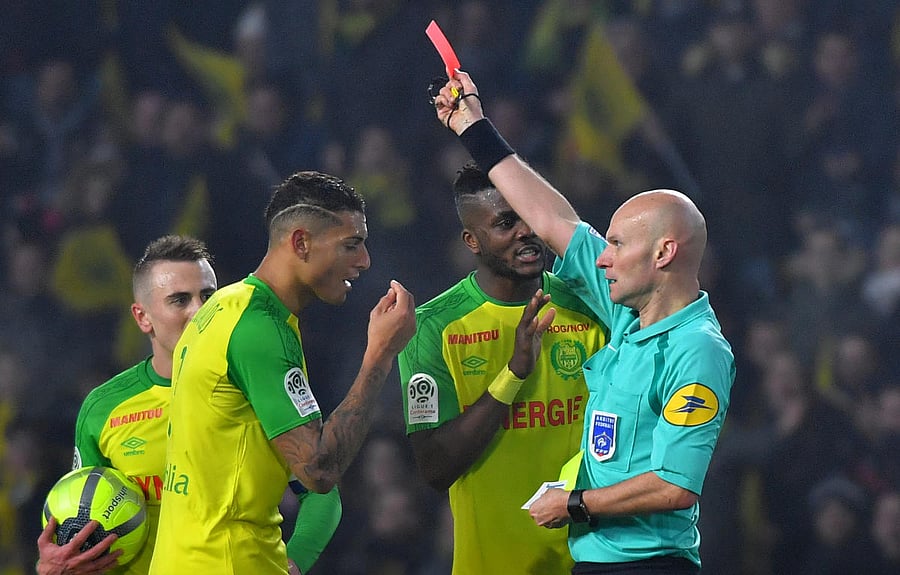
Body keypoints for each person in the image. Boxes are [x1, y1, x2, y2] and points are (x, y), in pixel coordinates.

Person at [433, 72, 735, 574]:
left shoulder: (696, 348)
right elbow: (554, 222)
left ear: (663, 253)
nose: (602, 258)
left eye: (617, 245)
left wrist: (576, 503)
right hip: (596, 561)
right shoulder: (626, 315)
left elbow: (675, 486)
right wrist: (474, 128)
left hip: (650, 564)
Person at [148, 171, 416, 574]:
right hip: (229, 561)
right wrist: (379, 355)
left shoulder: (221, 310)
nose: (364, 261)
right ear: (301, 243)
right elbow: (319, 471)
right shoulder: (260, 330)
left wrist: (290, 562)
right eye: (351, 244)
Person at [36, 235, 342, 575]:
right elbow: (80, 520)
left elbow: (320, 492)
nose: (198, 310)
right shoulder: (104, 407)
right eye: (179, 300)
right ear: (143, 317)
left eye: (208, 296)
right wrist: (53, 563)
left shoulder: (254, 388)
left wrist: (294, 562)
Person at [398, 162, 607, 574]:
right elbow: (435, 468)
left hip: (592, 559)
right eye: (505, 223)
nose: (525, 231)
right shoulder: (433, 327)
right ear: (471, 240)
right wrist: (513, 374)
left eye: (528, 217)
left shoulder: (594, 306)